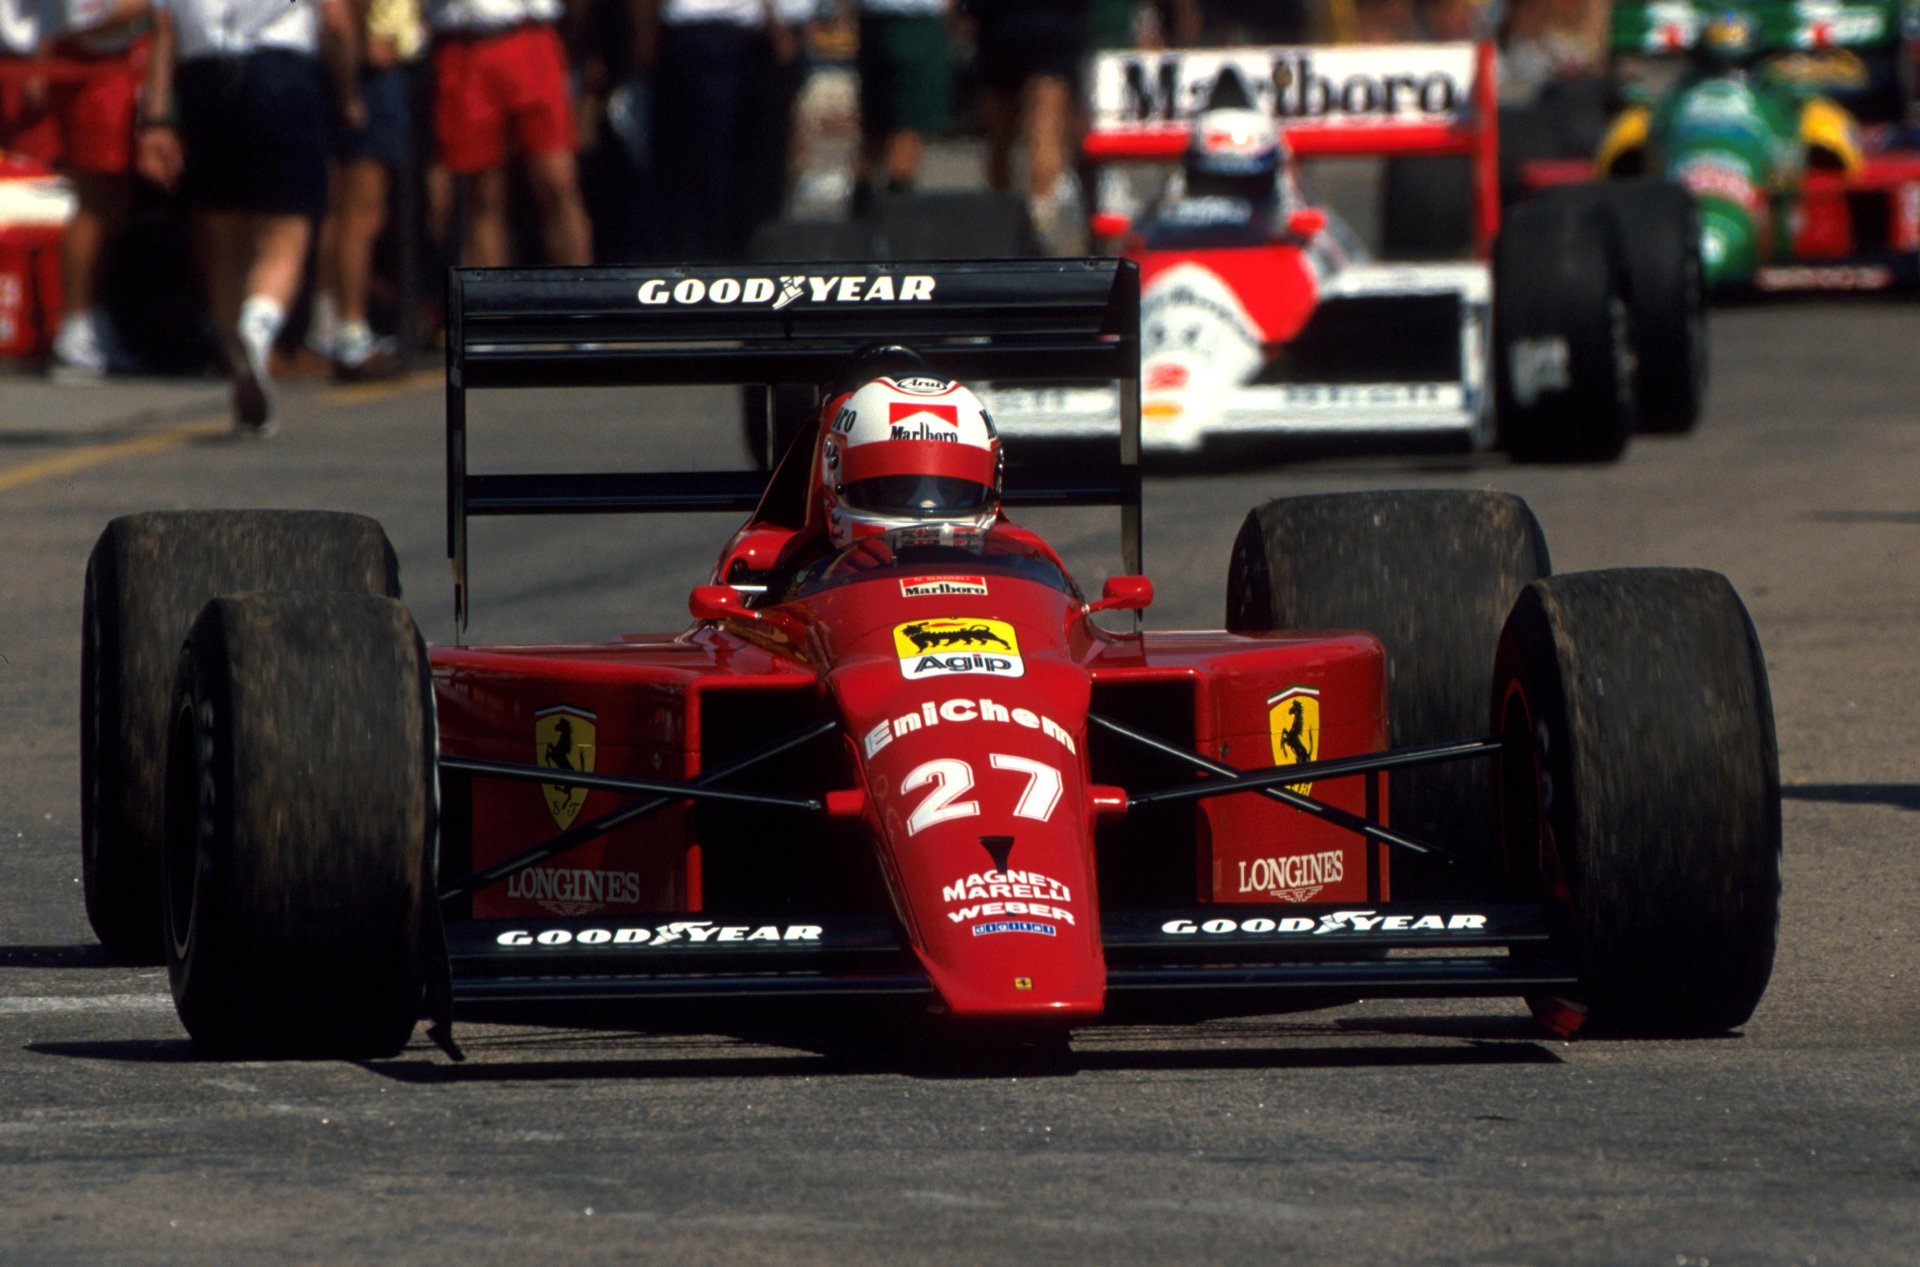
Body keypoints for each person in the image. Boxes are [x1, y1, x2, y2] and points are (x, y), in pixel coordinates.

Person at [137, 0, 360, 434]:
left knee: (226, 243)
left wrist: (156, 118)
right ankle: (256, 333)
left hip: (205, 80)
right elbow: (336, 22)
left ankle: (235, 351)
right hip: (281, 71)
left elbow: (163, 31)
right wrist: (348, 94)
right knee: (285, 230)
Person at [2, 0, 151, 379]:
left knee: (113, 201)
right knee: (94, 199)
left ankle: (91, 320)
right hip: (91, 68)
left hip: (115, 63)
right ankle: (76, 328)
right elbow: (81, 18)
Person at [425, 0, 590, 267]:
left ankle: (580, 298)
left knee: (557, 180)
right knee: (483, 193)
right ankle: (494, 304)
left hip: (531, 36)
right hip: (466, 44)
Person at [307, 0, 424, 379]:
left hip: (356, 69)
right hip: (368, 75)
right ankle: (351, 331)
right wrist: (357, 67)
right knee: (362, 213)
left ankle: (328, 326)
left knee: (339, 210)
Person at [965, 0, 1087, 253]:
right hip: (1048, 23)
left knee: (1002, 135)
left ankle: (1005, 219)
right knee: (1043, 127)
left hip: (1004, 24)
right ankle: (1038, 219)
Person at [850, 0, 950, 213]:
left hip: (873, 21)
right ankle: (895, 212)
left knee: (875, 129)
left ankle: (860, 209)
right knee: (908, 126)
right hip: (915, 22)